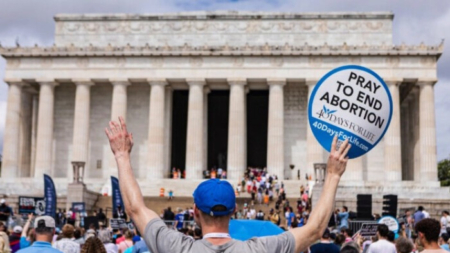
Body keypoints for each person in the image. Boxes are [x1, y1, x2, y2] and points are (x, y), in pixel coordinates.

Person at [105, 117, 351, 253]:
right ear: (234, 212)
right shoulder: (259, 250)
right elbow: (315, 230)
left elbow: (136, 209)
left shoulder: (177, 248)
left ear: (195, 213)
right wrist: (332, 175)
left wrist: (122, 156)